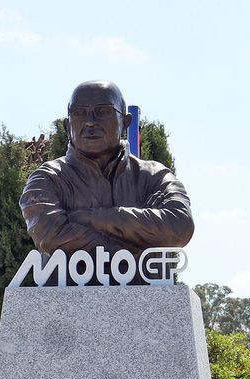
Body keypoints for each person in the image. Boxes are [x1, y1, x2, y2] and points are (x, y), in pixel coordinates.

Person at [19, 80, 194, 256]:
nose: (90, 122)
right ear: (67, 126)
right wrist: (130, 254)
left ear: (125, 122)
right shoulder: (46, 179)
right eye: (79, 113)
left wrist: (93, 218)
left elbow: (180, 226)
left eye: (103, 112)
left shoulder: (155, 176)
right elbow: (52, 236)